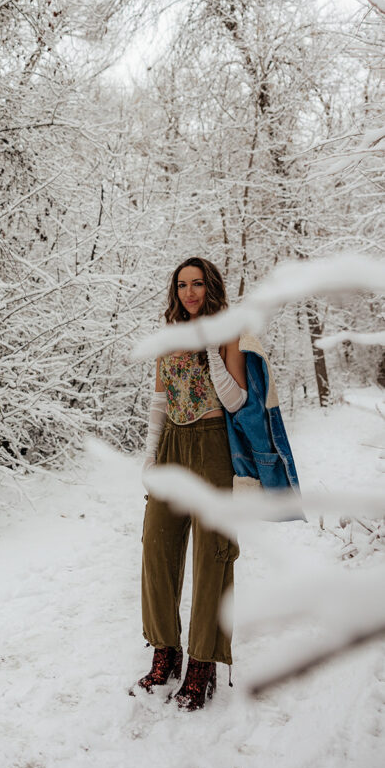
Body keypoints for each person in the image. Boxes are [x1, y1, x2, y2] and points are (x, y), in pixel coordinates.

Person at [137, 257, 247, 710]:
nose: (189, 292)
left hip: (212, 444)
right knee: (156, 545)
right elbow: (160, 399)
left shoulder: (229, 330)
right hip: (172, 446)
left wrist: (211, 351)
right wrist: (150, 454)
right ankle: (166, 650)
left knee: (212, 555)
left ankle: (203, 662)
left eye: (197, 283)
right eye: (182, 285)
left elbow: (236, 399)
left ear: (210, 286)